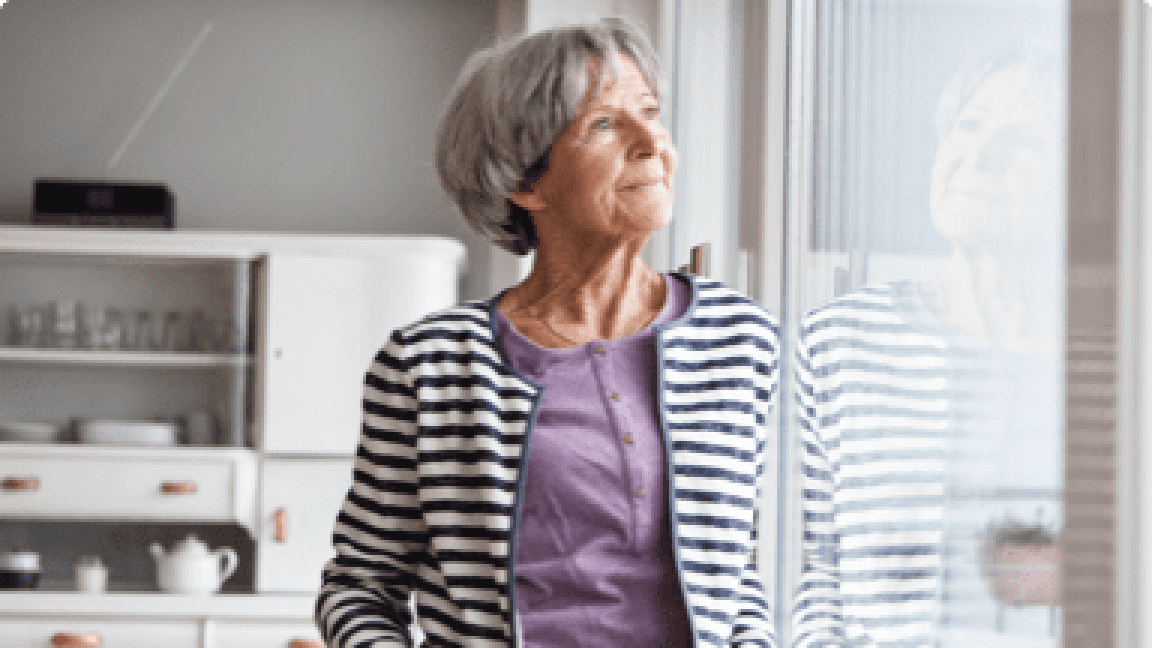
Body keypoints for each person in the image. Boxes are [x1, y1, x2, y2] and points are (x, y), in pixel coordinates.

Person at [315, 17, 779, 648]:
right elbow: (361, 584)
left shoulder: (737, 338)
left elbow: (731, 576)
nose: (651, 142)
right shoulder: (430, 364)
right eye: (605, 124)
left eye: (650, 111)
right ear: (524, 182)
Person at [791, 43, 1064, 647]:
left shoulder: (1117, 366)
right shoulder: (838, 341)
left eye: (1022, 140)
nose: (977, 154)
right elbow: (816, 571)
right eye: (968, 126)